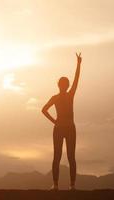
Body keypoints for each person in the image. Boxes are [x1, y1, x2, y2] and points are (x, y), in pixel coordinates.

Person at [42, 53, 82, 190]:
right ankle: (64, 185)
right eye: (65, 84)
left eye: (65, 84)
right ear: (62, 85)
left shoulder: (62, 96)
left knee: (63, 157)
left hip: (64, 128)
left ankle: (62, 185)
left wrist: (78, 65)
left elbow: (44, 110)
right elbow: (44, 110)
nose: (65, 86)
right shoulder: (64, 96)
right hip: (65, 128)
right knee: (65, 157)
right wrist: (78, 64)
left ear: (61, 85)